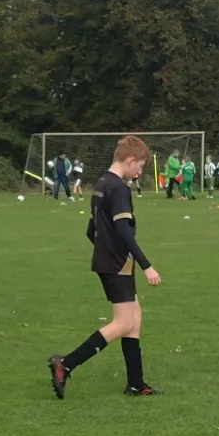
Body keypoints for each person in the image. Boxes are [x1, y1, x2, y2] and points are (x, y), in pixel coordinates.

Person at [48, 135, 163, 398]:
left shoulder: (101, 184)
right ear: (130, 160)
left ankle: (136, 384)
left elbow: (92, 230)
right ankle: (65, 364)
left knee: (134, 318)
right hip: (117, 263)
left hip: (109, 261)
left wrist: (105, 251)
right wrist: (146, 265)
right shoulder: (119, 188)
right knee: (123, 323)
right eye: (140, 166)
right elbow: (123, 231)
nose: (139, 172)